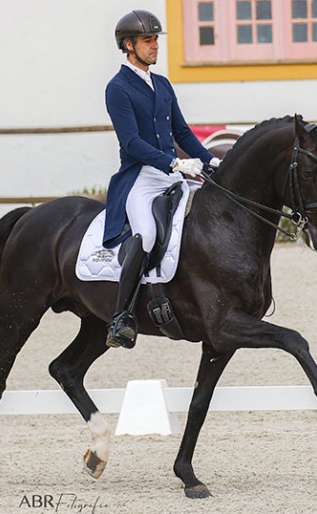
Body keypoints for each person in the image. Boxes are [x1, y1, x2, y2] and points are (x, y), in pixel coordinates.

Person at [104, 9, 221, 349]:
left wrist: (208, 160)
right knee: (147, 234)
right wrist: (173, 163)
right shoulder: (118, 88)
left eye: (156, 39)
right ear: (129, 45)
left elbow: (182, 132)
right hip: (141, 177)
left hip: (172, 175)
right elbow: (132, 144)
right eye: (147, 40)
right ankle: (120, 317)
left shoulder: (163, 84)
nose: (155, 46)